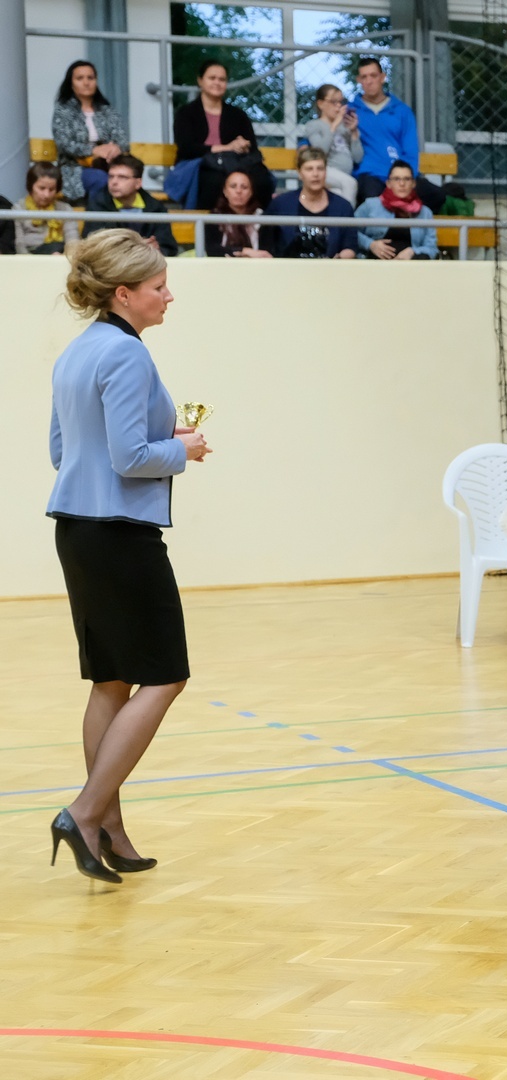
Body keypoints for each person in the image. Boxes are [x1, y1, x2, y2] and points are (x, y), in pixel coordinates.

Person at [45, 228, 212, 885]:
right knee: (165, 675)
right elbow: (130, 459)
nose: (168, 296)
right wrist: (182, 449)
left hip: (77, 530)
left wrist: (161, 436)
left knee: (111, 680)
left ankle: (107, 826)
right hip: (119, 535)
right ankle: (84, 813)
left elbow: (63, 451)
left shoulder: (78, 350)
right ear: (123, 293)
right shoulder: (127, 354)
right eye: (158, 286)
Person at [174, 60, 275, 212]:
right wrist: (226, 147)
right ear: (200, 81)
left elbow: (252, 148)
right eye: (212, 78)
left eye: (222, 79)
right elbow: (186, 149)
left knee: (261, 179)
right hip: (199, 163)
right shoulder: (186, 113)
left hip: (234, 163)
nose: (217, 83)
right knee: (213, 180)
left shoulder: (238, 115)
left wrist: (243, 146)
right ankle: (206, 225)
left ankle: (261, 223)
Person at [350, 57, 446, 213]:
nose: (369, 81)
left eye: (373, 75)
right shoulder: (350, 111)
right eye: (364, 77)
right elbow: (328, 128)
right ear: (359, 80)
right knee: (373, 200)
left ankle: (407, 223)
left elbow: (411, 151)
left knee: (437, 195)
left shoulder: (402, 111)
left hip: (400, 174)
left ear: (382, 77)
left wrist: (403, 179)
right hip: (370, 176)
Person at [51, 60, 129, 204]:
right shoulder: (63, 111)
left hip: (109, 165)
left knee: (129, 180)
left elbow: (123, 140)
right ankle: (98, 217)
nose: (86, 82)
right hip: (74, 168)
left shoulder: (107, 110)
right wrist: (94, 150)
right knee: (100, 180)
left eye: (90, 78)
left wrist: (115, 149)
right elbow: (64, 144)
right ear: (71, 83)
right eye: (80, 78)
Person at [264, 148, 358, 259]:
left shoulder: (343, 207)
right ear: (299, 173)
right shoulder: (281, 204)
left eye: (320, 169)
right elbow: (266, 244)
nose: (315, 174)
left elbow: (350, 245)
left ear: (326, 172)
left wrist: (340, 258)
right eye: (309, 169)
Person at [84, 156, 179, 257]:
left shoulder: (156, 208)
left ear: (138, 183)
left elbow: (168, 248)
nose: (114, 182)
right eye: (111, 176)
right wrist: (137, 249)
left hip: (149, 262)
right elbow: (92, 246)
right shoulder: (97, 206)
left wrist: (157, 249)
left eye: (122, 177)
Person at [355, 161, 437, 260]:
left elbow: (432, 248)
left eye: (407, 179)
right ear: (388, 183)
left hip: (411, 265)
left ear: (413, 183)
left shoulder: (425, 213)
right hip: (375, 263)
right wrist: (370, 244)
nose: (402, 184)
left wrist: (413, 251)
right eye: (396, 179)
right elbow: (350, 231)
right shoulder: (371, 205)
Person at [301, 83, 364, 205]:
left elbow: (358, 157)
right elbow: (320, 153)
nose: (339, 106)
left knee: (338, 196)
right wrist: (333, 126)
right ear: (321, 104)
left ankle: (339, 216)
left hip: (343, 176)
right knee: (351, 184)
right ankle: (348, 217)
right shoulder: (314, 125)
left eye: (341, 102)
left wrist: (354, 132)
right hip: (325, 170)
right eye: (334, 102)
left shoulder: (345, 128)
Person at [203, 171, 270, 258]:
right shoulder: (214, 217)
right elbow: (212, 250)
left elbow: (267, 252)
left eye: (244, 187)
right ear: (225, 191)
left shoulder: (262, 218)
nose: (238, 191)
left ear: (251, 192)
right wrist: (244, 251)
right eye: (233, 186)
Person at [17, 163, 80, 255]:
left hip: (60, 254)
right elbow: (19, 245)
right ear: (30, 186)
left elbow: (73, 241)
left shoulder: (65, 209)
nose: (46, 195)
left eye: (51, 189)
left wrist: (64, 258)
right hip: (31, 257)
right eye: (42, 188)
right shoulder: (19, 209)